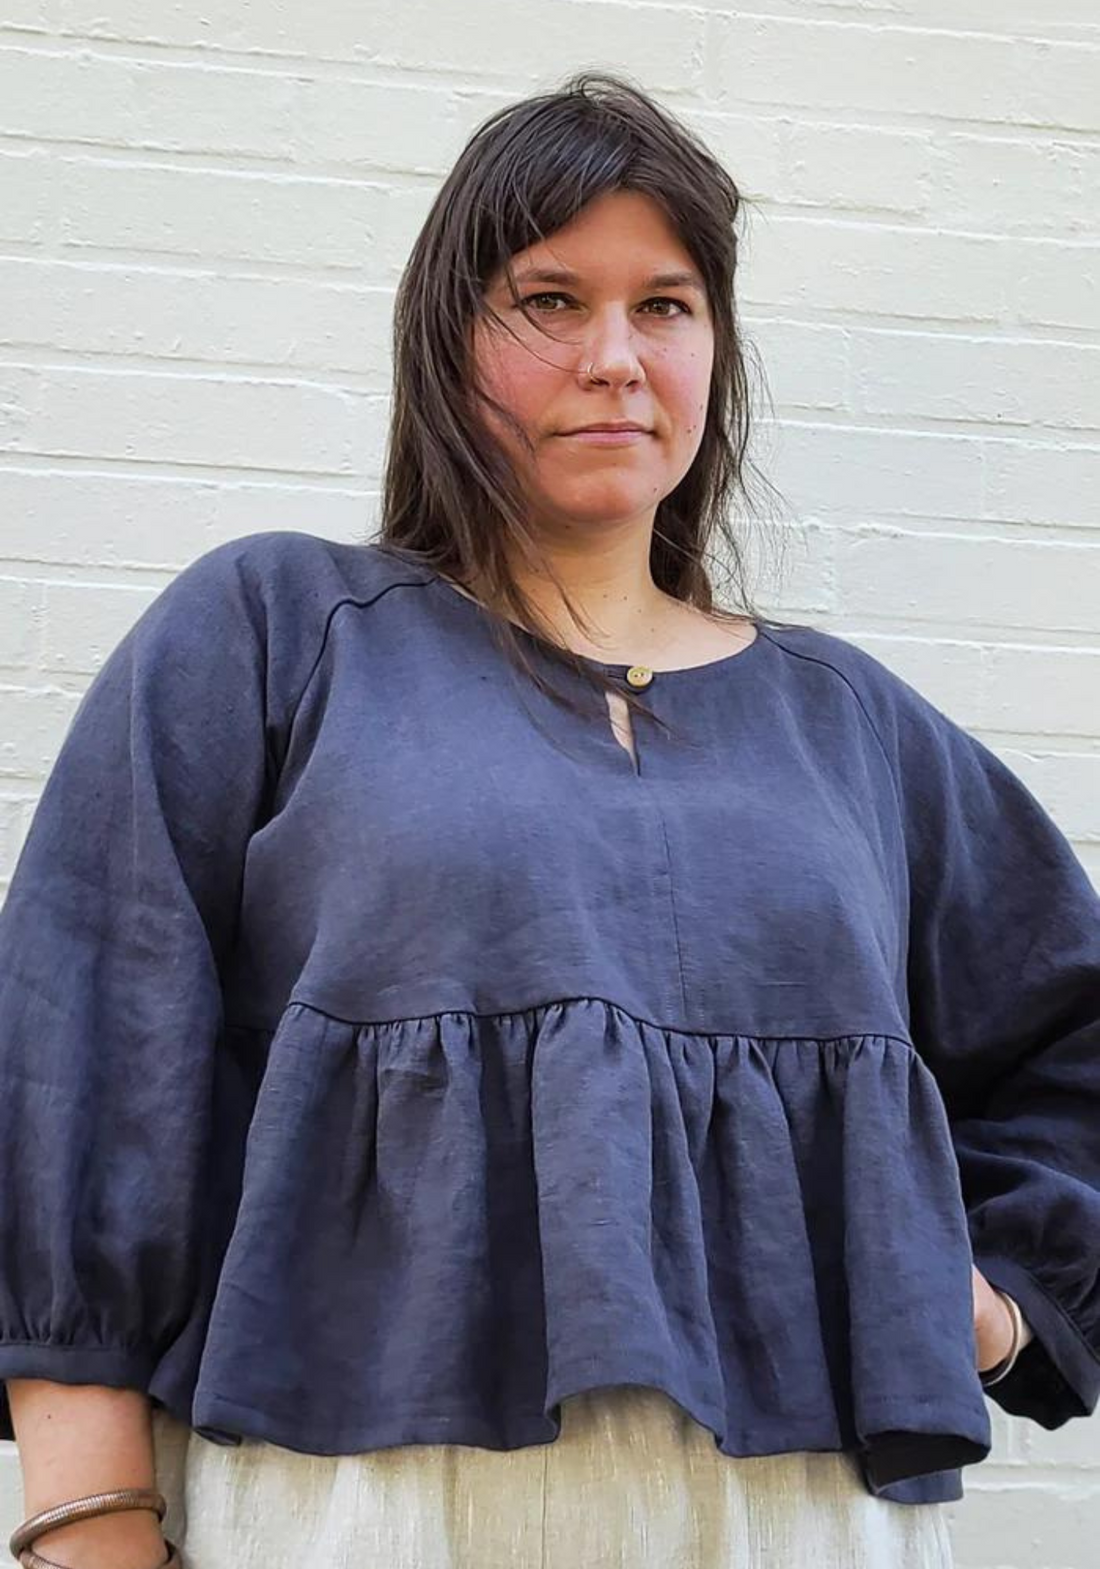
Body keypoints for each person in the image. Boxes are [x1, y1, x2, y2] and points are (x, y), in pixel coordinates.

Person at [1, 69, 1098, 1569]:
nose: (615, 358)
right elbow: (82, 1059)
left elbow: (1067, 1031)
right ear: (448, 340)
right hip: (361, 1512)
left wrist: (992, 1307)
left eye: (666, 306)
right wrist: (90, 1528)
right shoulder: (276, 634)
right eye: (549, 301)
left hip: (798, 1523)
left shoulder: (851, 728)